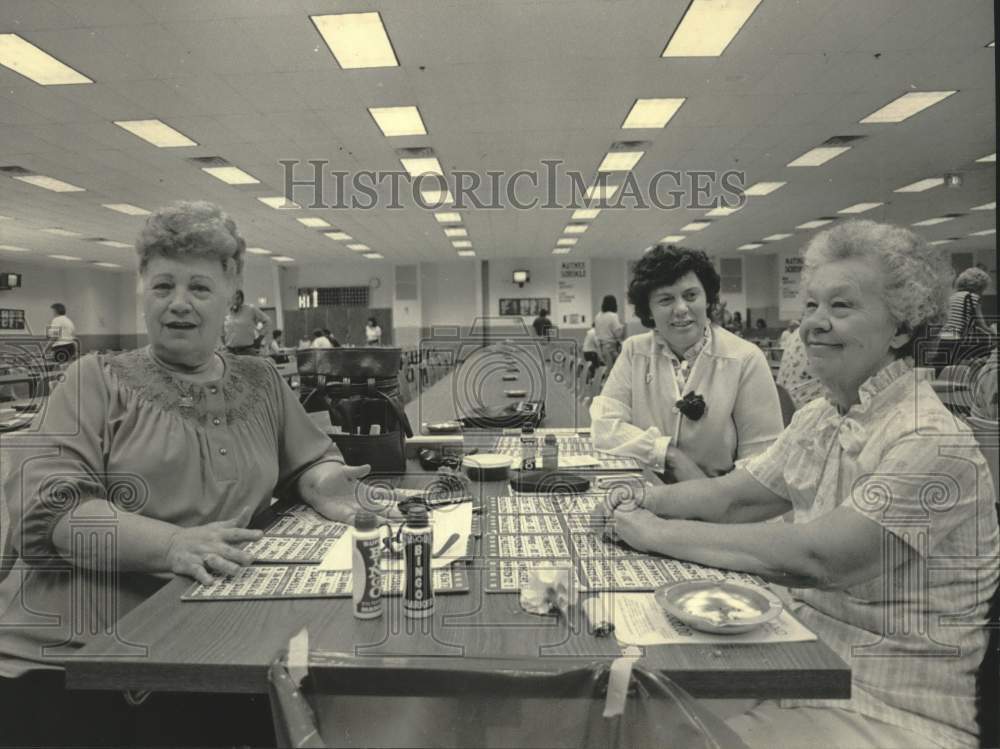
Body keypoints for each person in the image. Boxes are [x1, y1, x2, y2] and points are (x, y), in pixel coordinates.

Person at [0, 201, 393, 745]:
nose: (178, 304)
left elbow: (309, 461)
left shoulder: (261, 381)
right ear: (142, 290)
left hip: (202, 643)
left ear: (231, 299)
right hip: (75, 661)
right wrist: (172, 546)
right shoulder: (93, 380)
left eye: (199, 289)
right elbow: (54, 511)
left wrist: (329, 488)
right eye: (163, 287)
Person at [596, 220, 998, 749]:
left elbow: (819, 558)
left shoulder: (930, 439)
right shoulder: (821, 418)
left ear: (902, 326)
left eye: (842, 307)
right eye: (810, 307)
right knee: (627, 713)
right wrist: (645, 497)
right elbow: (733, 497)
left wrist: (652, 533)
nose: (814, 325)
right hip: (801, 661)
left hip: (889, 710)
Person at [590, 245, 783, 479]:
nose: (681, 309)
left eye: (691, 296)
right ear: (648, 311)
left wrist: (709, 495)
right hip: (652, 495)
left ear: (707, 300)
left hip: (725, 505)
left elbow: (763, 462)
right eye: (666, 300)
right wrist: (668, 454)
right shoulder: (634, 352)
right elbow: (604, 427)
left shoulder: (745, 359)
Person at [932, 267, 994, 374]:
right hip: (958, 338)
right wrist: (993, 333)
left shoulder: (952, 296)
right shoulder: (973, 297)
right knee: (972, 362)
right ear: (980, 286)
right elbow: (981, 324)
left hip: (942, 336)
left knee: (943, 366)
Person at [223, 289, 272, 355]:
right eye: (233, 298)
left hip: (247, 350)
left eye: (238, 298)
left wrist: (259, 338)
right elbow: (221, 330)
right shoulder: (225, 312)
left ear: (242, 299)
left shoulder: (250, 309)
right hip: (230, 351)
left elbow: (267, 321)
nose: (235, 301)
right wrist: (224, 343)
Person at [594, 294, 625, 372]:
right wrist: (621, 327)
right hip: (610, 347)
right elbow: (618, 334)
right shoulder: (613, 316)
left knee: (605, 369)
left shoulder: (598, 316)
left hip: (599, 346)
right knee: (614, 370)